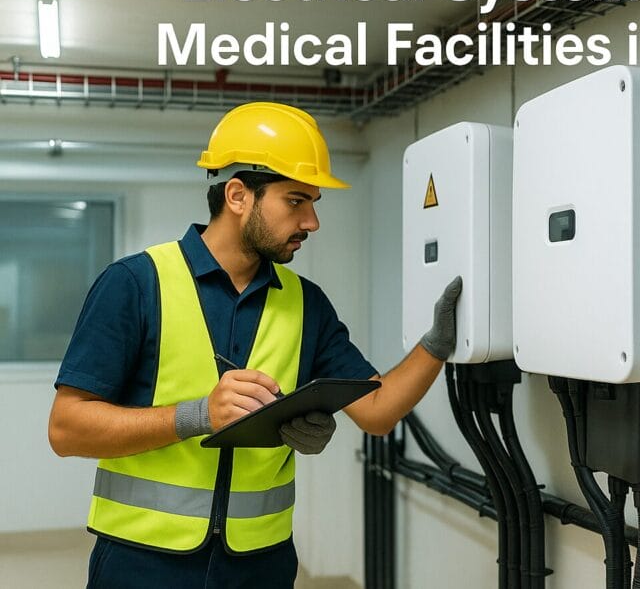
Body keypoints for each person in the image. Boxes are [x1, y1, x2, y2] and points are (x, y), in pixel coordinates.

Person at [48, 102, 461, 588]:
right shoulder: (136, 284)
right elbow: (66, 429)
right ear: (238, 195)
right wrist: (196, 415)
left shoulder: (307, 304)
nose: (312, 222)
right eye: (295, 201)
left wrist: (436, 344)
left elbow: (377, 410)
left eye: (314, 203)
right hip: (143, 563)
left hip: (259, 564)